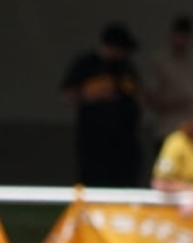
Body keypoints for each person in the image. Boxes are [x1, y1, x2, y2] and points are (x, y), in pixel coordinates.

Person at [61, 24, 142, 187]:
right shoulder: (87, 64)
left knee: (124, 185)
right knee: (92, 186)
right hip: (93, 143)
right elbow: (67, 94)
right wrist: (90, 93)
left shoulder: (127, 68)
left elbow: (137, 94)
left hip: (124, 144)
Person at [139, 16, 193, 143]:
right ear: (173, 35)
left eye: (186, 37)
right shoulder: (160, 61)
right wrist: (173, 103)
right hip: (169, 127)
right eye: (180, 36)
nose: (182, 41)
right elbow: (148, 97)